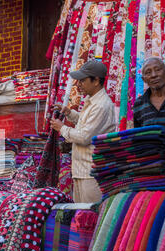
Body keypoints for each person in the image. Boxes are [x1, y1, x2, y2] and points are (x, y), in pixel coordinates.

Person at [50, 59, 117, 203]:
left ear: (96, 81)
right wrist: (69, 113)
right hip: (83, 171)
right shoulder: (92, 101)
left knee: (90, 216)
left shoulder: (101, 105)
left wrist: (61, 128)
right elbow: (86, 123)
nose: (79, 84)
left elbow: (84, 137)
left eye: (82, 80)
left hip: (91, 174)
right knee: (81, 216)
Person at [133, 57, 165, 127]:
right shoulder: (139, 104)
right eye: (148, 72)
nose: (154, 75)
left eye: (158, 70)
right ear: (144, 79)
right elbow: (139, 135)